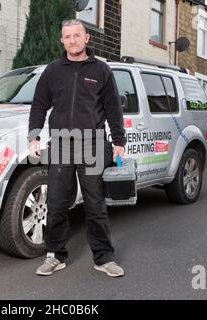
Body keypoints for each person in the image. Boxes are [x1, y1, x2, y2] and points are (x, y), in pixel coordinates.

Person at [27, 19, 126, 277]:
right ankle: (55, 255)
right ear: (62, 40)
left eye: (76, 35)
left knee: (95, 203)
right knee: (57, 202)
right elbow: (39, 105)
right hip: (60, 142)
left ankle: (104, 258)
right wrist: (34, 136)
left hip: (92, 143)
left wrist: (118, 142)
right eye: (67, 36)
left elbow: (114, 109)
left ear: (86, 38)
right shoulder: (53, 70)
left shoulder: (101, 70)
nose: (72, 40)